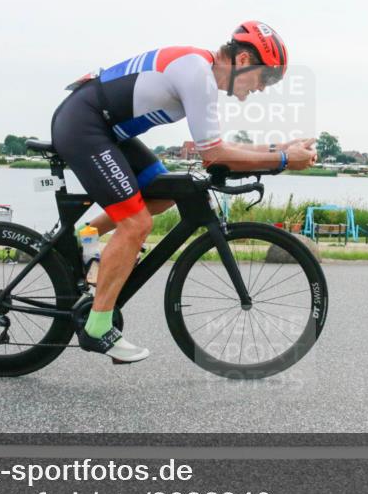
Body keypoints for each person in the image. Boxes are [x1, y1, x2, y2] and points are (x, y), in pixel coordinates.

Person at [50, 21, 317, 363]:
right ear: (246, 59)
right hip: (85, 126)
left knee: (163, 194)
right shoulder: (197, 73)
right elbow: (214, 156)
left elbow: (217, 146)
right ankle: (97, 328)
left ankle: (81, 238)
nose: (263, 88)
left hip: (104, 129)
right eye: (265, 78)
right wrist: (282, 159)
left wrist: (279, 147)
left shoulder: (201, 71)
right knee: (136, 224)